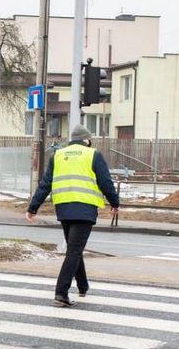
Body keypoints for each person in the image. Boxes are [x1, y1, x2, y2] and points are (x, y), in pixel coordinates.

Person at [25, 124, 119, 307]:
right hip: (84, 208)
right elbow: (105, 182)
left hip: (64, 208)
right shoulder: (93, 154)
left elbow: (46, 184)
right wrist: (114, 202)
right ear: (87, 140)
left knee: (74, 248)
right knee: (74, 250)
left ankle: (83, 286)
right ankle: (61, 292)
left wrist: (33, 207)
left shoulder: (58, 155)